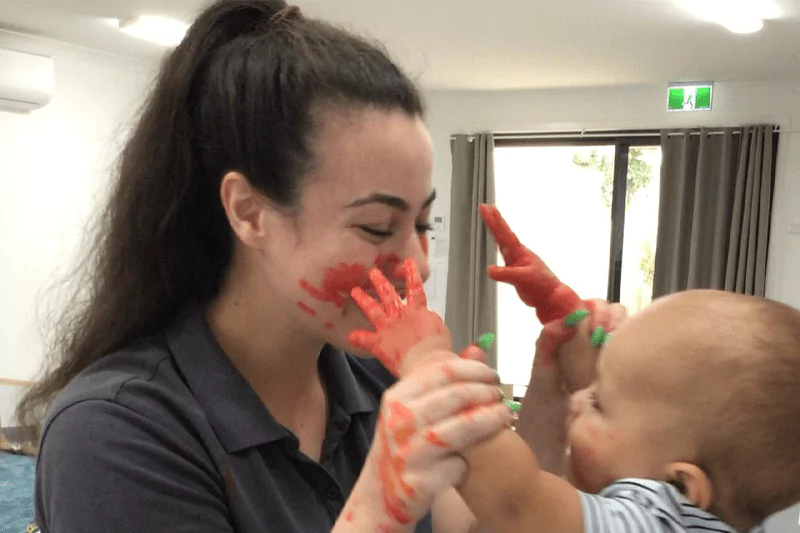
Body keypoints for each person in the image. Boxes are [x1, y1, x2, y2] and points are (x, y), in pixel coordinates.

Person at [15, 1, 529, 531]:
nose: (417, 267)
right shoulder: (115, 430)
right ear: (248, 211)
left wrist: (557, 398)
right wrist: (380, 503)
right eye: (377, 227)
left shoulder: (375, 383)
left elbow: (481, 522)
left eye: (423, 224)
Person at [353, 258, 800, 533]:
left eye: (600, 404)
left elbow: (513, 498)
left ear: (681, 485)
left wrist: (427, 360)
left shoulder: (648, 523)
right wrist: (565, 320)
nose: (578, 400)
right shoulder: (722, 515)